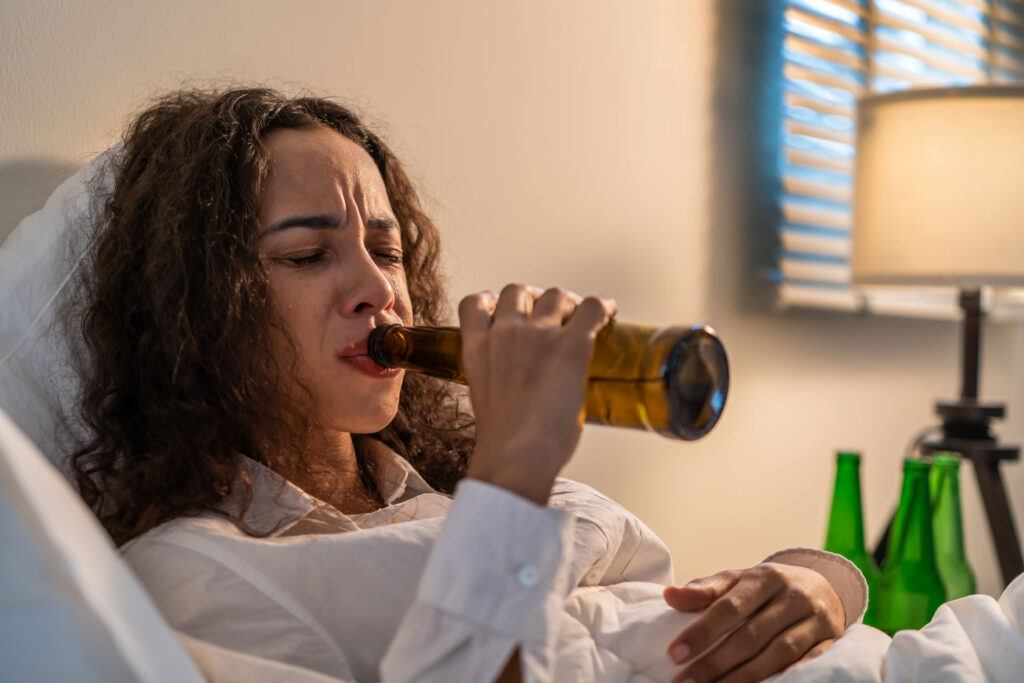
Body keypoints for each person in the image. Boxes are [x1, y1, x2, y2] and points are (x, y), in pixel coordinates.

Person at [67, 87, 862, 682]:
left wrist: (820, 580)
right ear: (200, 312)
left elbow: (668, 593)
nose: (377, 291)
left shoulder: (443, 488)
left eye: (386, 250)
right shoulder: (195, 574)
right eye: (309, 256)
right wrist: (515, 468)